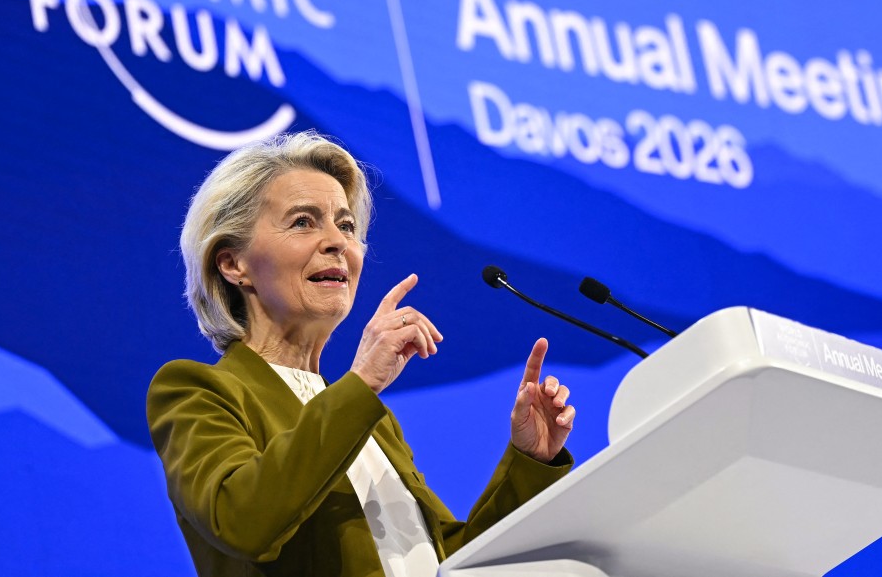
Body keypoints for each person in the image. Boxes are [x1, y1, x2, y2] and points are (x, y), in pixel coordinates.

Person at [148, 131, 576, 577]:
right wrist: (363, 384)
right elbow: (241, 521)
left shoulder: (369, 416)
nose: (338, 243)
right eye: (302, 221)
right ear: (233, 264)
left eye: (346, 225)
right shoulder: (196, 390)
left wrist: (529, 462)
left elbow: (445, 561)